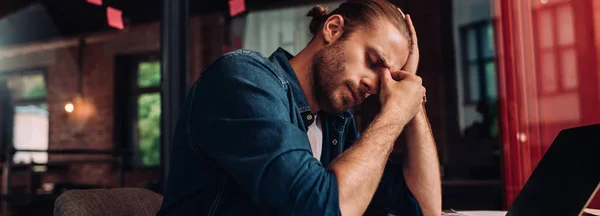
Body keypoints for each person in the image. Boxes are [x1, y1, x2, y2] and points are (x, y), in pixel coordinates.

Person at [157, 0, 441, 215]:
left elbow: (425, 206)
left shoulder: (336, 124)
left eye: (386, 78)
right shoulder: (243, 80)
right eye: (372, 61)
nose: (375, 85)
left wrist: (412, 102)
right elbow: (323, 208)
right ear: (333, 29)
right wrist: (393, 114)